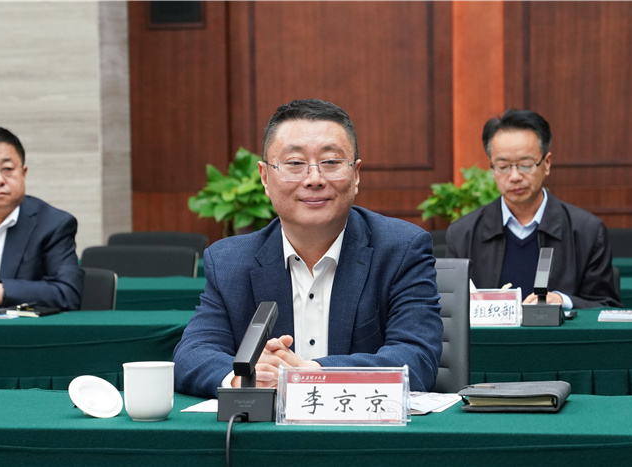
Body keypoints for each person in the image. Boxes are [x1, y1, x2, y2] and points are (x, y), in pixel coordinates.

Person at [174, 99, 443, 398]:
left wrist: (312, 374)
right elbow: (192, 354)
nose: (314, 179)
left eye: (331, 162)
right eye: (294, 163)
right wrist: (245, 379)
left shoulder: (400, 249)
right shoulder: (229, 261)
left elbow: (416, 359)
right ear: (265, 177)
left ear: (355, 175)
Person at [446, 109, 621, 309]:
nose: (514, 177)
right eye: (503, 166)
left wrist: (563, 301)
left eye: (525, 165)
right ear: (492, 169)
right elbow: (450, 308)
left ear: (546, 164)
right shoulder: (463, 234)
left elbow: (606, 307)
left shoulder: (587, 231)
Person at [0, 126, 84, 310]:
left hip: (21, 328)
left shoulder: (53, 225)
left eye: (8, 169)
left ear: (23, 173)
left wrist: (0, 293)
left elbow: (67, 293)